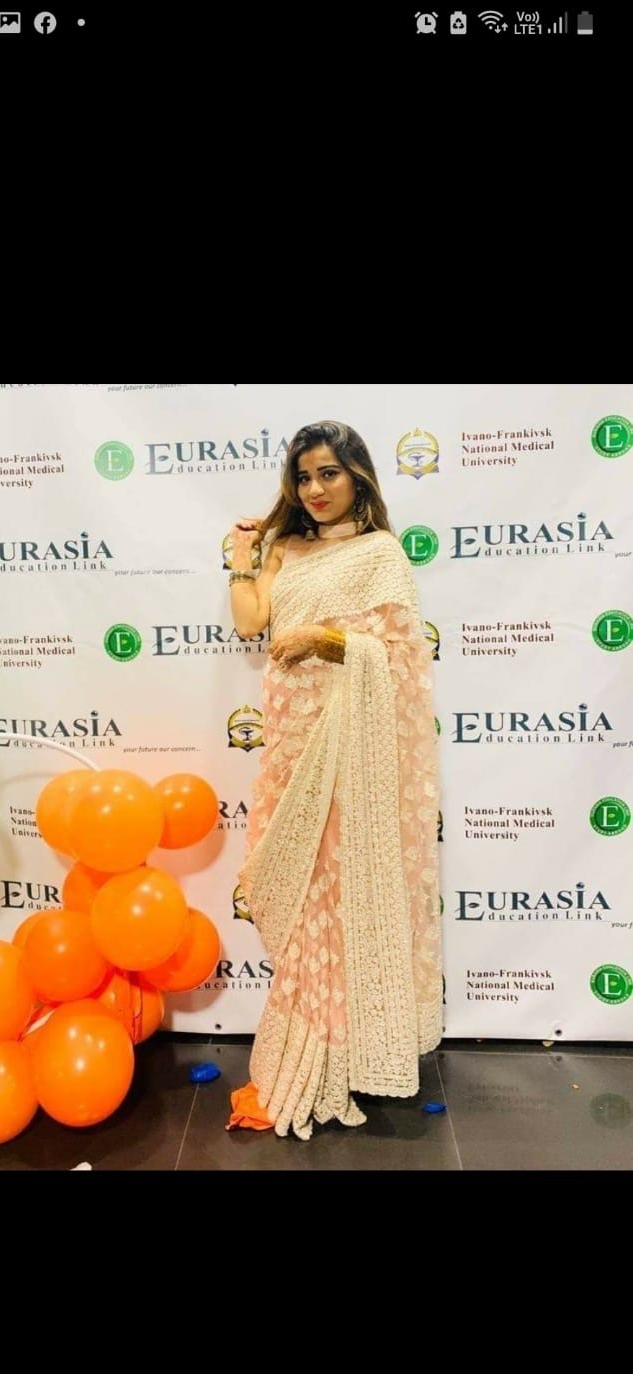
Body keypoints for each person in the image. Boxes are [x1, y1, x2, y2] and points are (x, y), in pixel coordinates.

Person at [225, 419, 443, 1141]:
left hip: (353, 748)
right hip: (293, 742)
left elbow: (403, 657)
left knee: (344, 893)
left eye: (329, 474)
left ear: (357, 476)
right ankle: (317, 1041)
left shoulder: (380, 554)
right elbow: (251, 622)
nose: (315, 489)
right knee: (293, 893)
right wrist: (243, 558)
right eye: (304, 476)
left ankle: (342, 1051)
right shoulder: (286, 550)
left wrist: (326, 639)